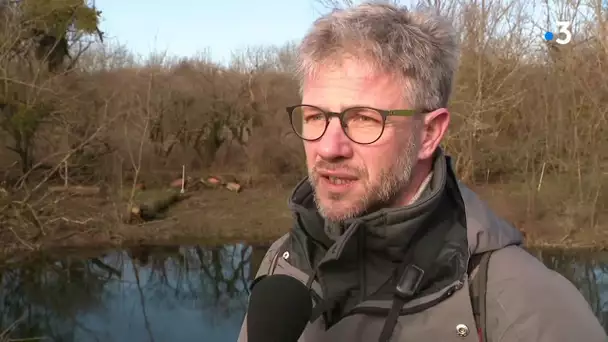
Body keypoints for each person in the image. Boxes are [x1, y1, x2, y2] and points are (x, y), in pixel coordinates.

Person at [238, 2, 607, 341]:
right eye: (316, 116)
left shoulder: (528, 307)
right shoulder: (284, 262)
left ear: (429, 133)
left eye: (364, 119)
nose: (329, 148)